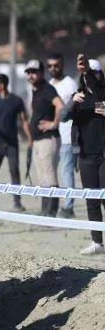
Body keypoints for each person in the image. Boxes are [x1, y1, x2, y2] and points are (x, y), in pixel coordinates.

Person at [61, 56, 105, 254]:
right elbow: (63, 117)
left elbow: (100, 102)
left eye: (93, 73)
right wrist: (72, 103)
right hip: (85, 155)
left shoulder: (103, 94)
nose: (89, 77)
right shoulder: (77, 97)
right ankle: (97, 242)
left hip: (103, 155)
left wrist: (98, 107)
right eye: (87, 74)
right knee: (91, 200)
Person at [24, 58, 65, 217]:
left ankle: (51, 212)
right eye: (28, 72)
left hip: (48, 139)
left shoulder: (47, 89)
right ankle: (44, 211)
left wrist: (54, 124)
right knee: (42, 178)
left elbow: (60, 106)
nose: (30, 75)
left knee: (49, 176)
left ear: (41, 73)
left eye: (34, 72)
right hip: (38, 140)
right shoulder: (35, 91)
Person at [0, 73, 31, 212]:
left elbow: (24, 121)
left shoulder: (16, 101)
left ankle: (17, 203)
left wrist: (30, 139)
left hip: (12, 144)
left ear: (1, 85)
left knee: (14, 172)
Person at [47, 53, 78, 218]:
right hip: (52, 136)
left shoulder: (70, 84)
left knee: (66, 171)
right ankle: (51, 205)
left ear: (62, 66)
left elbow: (76, 108)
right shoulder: (50, 84)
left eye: (56, 65)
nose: (53, 69)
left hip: (67, 135)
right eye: (50, 66)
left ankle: (68, 206)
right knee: (51, 171)